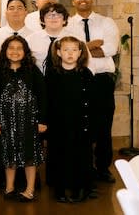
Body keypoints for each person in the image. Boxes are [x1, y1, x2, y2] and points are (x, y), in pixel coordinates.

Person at [68, 0, 119, 185]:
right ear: (73, 1)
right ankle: (85, 167)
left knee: (104, 126)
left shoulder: (107, 22)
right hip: (79, 78)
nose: (83, 0)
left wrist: (81, 49)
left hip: (102, 81)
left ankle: (103, 168)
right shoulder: (68, 25)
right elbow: (69, 51)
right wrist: (91, 46)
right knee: (82, 127)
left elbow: (111, 48)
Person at [0, 36, 47, 202]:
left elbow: (43, 96)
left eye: (19, 48)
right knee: (10, 156)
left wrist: (42, 120)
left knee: (30, 156)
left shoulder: (32, 71)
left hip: (29, 122)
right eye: (11, 48)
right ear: (4, 51)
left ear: (25, 52)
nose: (15, 51)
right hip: (7, 122)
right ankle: (9, 187)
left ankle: (29, 189)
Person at [46, 36, 94, 203]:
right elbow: (47, 100)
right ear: (59, 52)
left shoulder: (86, 74)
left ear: (80, 52)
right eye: (66, 50)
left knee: (80, 156)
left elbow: (92, 101)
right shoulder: (52, 74)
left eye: (74, 50)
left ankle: (79, 188)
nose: (70, 53)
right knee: (59, 156)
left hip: (80, 123)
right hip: (59, 123)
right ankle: (59, 189)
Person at [26, 3, 80, 74]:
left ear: (64, 20)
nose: (54, 18)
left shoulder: (76, 39)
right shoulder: (30, 39)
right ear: (42, 20)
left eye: (58, 15)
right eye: (49, 15)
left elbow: (88, 64)